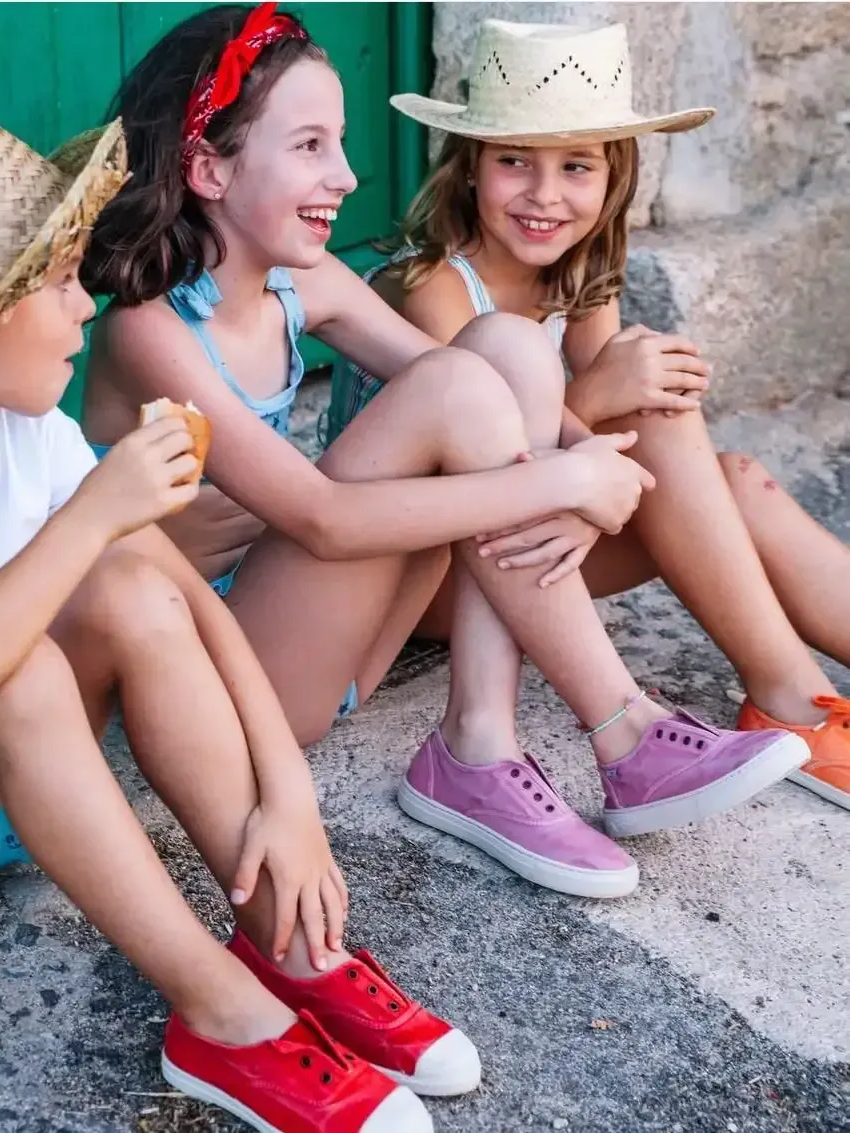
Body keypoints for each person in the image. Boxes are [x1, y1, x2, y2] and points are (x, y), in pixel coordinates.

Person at [0, 103, 477, 1133]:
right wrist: (93, 514)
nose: (87, 304)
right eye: (63, 280)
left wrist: (289, 795)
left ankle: (291, 942)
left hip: (6, 781)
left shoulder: (24, 428)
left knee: (129, 588)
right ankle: (223, 1015)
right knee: (18, 659)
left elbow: (189, 604)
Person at [80, 3, 807, 903]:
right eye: (309, 145)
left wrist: (593, 465)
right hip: (234, 680)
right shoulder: (150, 333)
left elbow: (485, 385)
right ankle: (621, 726)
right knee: (468, 379)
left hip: (335, 634)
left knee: (500, 346)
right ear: (208, 167)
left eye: (340, 144)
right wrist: (561, 478)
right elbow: (322, 517)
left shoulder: (300, 281)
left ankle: (481, 743)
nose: (345, 175)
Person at [328, 18, 849, 813]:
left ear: (612, 179)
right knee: (638, 399)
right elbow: (466, 452)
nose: (544, 195)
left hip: (513, 534)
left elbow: (616, 438)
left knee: (732, 476)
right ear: (469, 169)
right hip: (423, 569)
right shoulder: (432, 286)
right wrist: (593, 417)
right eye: (514, 163)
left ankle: (799, 696)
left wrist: (591, 464)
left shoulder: (576, 270)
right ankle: (793, 702)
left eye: (575, 166)